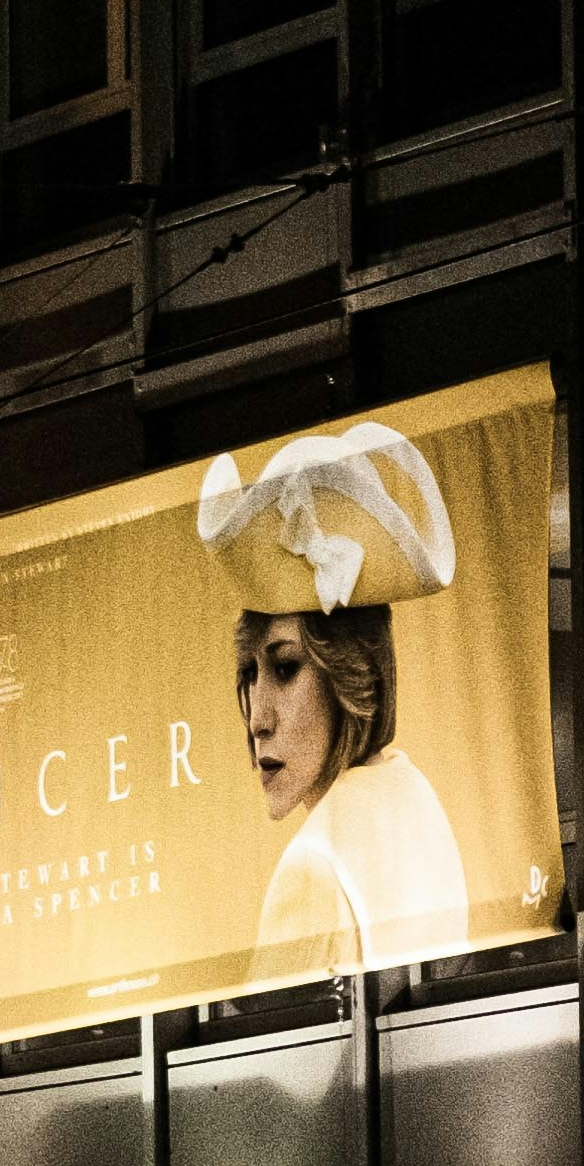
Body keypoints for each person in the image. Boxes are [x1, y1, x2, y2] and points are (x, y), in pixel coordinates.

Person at [197, 418, 474, 981]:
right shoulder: (412, 797)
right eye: (249, 674)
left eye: (285, 668)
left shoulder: (311, 870)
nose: (258, 719)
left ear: (350, 677)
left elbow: (279, 1043)